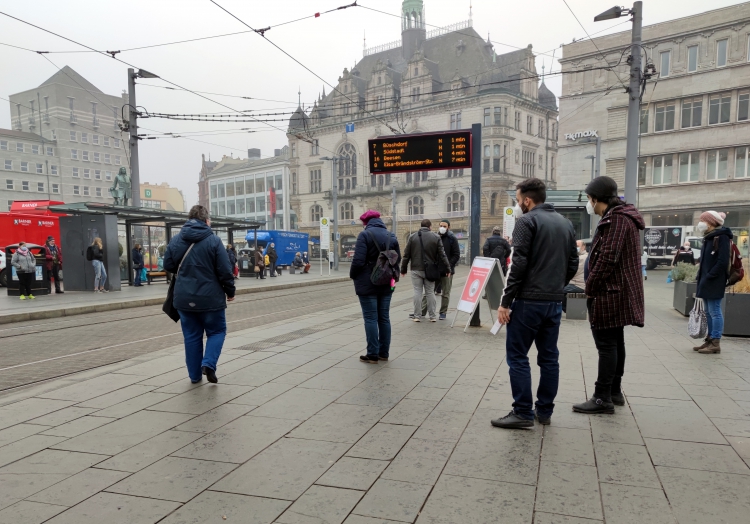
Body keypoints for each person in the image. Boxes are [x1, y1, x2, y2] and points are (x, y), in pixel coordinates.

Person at [492, 178, 578, 429]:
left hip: (528, 301)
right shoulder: (565, 223)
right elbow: (572, 263)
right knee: (549, 357)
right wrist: (555, 286)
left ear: (527, 200)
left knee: (518, 356)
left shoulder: (526, 222)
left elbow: (517, 264)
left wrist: (505, 303)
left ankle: (522, 412)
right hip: (553, 302)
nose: (518, 205)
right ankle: (544, 411)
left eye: (518, 201)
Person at [572, 176, 645, 415]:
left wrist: (590, 286)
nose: (589, 204)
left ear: (596, 199)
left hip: (610, 292)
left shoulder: (616, 220)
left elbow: (607, 258)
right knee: (615, 342)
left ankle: (602, 397)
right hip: (618, 290)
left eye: (590, 199)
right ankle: (614, 391)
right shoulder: (622, 217)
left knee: (606, 345)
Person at [163, 205, 235, 384]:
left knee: (192, 336)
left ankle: (194, 377)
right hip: (211, 298)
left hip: (184, 299)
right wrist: (230, 291)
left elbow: (168, 265)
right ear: (206, 220)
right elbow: (225, 271)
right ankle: (209, 364)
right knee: (217, 331)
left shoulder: (176, 240)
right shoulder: (214, 240)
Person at [350, 210, 401, 363]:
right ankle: (383, 353)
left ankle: (372, 354)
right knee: (384, 317)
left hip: (368, 281)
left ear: (366, 222)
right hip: (386, 281)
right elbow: (396, 259)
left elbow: (358, 261)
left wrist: (353, 275)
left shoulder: (364, 235)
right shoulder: (391, 235)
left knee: (371, 318)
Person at [693, 211, 732, 355]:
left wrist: (710, 275)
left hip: (714, 280)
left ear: (710, 222)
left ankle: (716, 341)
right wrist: (700, 276)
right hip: (706, 279)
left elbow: (722, 261)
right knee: (709, 312)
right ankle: (709, 340)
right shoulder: (709, 237)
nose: (700, 222)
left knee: (715, 311)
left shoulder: (721, 237)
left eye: (702, 220)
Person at [401, 219, 451, 322]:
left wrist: (403, 269)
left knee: (417, 291)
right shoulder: (436, 237)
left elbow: (406, 255)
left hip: (416, 269)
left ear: (421, 226)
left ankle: (417, 316)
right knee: (430, 292)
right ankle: (432, 316)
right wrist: (448, 268)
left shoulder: (412, 237)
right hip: (430, 270)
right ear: (430, 227)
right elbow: (442, 255)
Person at [421, 220, 460, 320]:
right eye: (441, 226)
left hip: (447, 271)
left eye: (445, 226)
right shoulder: (435, 237)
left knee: (445, 293)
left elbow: (456, 255)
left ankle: (443, 312)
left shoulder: (452, 238)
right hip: (436, 270)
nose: (442, 227)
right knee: (429, 292)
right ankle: (422, 311)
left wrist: (449, 267)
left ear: (449, 227)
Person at [562, 240, 587, 312]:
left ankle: (568, 310)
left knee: (559, 291)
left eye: (578, 246)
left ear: (583, 247)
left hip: (578, 284)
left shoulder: (582, 258)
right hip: (575, 283)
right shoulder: (578, 257)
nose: (576, 248)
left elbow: (572, 271)